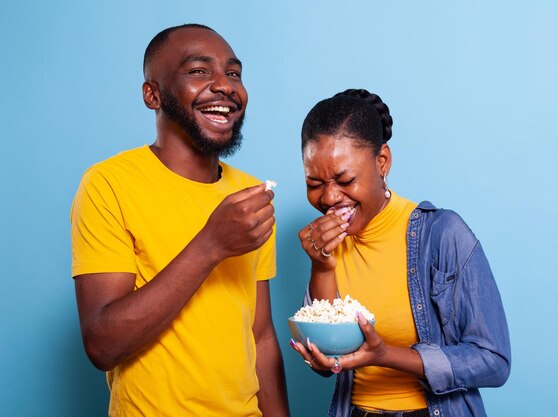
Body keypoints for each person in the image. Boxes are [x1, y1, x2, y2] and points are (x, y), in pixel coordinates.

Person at [71, 24, 290, 417]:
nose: (225, 85)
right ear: (152, 94)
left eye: (234, 73)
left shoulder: (251, 194)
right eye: (199, 71)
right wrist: (211, 244)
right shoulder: (108, 184)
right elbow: (102, 345)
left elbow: (260, 335)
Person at [289, 89, 511, 417]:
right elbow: (324, 363)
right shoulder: (326, 244)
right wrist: (321, 267)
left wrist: (386, 355)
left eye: (345, 180)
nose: (330, 198)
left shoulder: (444, 235)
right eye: (314, 184)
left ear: (382, 162)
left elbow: (494, 361)